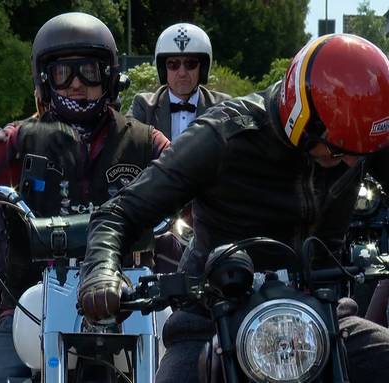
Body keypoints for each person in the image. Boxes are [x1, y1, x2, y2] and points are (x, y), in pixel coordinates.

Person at [78, 33, 389, 383]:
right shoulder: (223, 135)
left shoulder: (356, 137)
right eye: (338, 150)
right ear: (301, 120)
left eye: (360, 153)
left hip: (322, 312)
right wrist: (102, 272)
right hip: (212, 315)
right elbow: (118, 213)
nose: (350, 161)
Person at [0, 12, 170, 382]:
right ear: (45, 79)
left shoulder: (145, 141)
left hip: (131, 299)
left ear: (108, 74)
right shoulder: (17, 139)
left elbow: (186, 180)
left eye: (88, 70)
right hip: (32, 301)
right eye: (63, 73)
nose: (76, 84)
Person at [127, 23, 231, 140]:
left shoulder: (222, 106)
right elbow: (127, 145)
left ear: (202, 68)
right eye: (173, 64)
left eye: (191, 64)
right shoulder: (144, 106)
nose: (182, 73)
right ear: (163, 69)